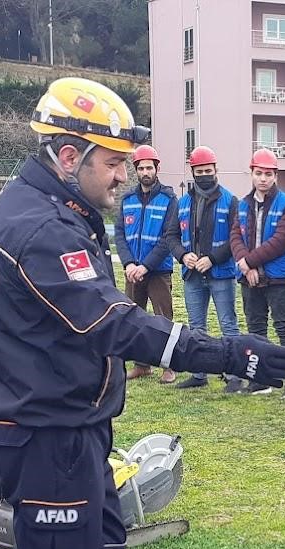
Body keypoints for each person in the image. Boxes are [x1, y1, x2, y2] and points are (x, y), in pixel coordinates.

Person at [0, 77, 285, 549]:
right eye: (114, 162)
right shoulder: (41, 227)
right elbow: (114, 325)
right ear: (68, 157)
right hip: (46, 432)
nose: (124, 175)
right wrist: (229, 354)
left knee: (101, 546)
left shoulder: (58, 208)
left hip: (76, 423)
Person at [161, 145, 243, 390]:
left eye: (208, 170)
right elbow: (171, 236)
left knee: (228, 324)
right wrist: (183, 255)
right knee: (197, 327)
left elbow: (236, 237)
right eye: (200, 171)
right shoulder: (183, 202)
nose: (204, 175)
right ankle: (199, 375)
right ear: (193, 171)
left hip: (221, 273)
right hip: (192, 274)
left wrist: (213, 258)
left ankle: (234, 375)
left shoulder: (230, 201)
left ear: (216, 170)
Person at [230, 148, 285, 397]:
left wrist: (248, 262)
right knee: (255, 328)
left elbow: (280, 241)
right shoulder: (243, 204)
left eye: (268, 174)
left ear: (275, 176)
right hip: (249, 276)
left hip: (279, 276)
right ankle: (260, 378)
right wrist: (244, 262)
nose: (263, 178)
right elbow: (235, 236)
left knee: (284, 326)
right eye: (259, 173)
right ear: (252, 173)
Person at [116, 144, 180, 384]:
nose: (145, 172)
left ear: (157, 169)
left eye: (149, 168)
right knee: (133, 319)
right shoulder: (127, 199)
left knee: (163, 320)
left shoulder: (169, 199)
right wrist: (129, 263)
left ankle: (169, 366)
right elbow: (120, 235)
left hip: (158, 270)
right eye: (141, 168)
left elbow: (168, 237)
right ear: (136, 170)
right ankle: (141, 365)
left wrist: (146, 266)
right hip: (133, 272)